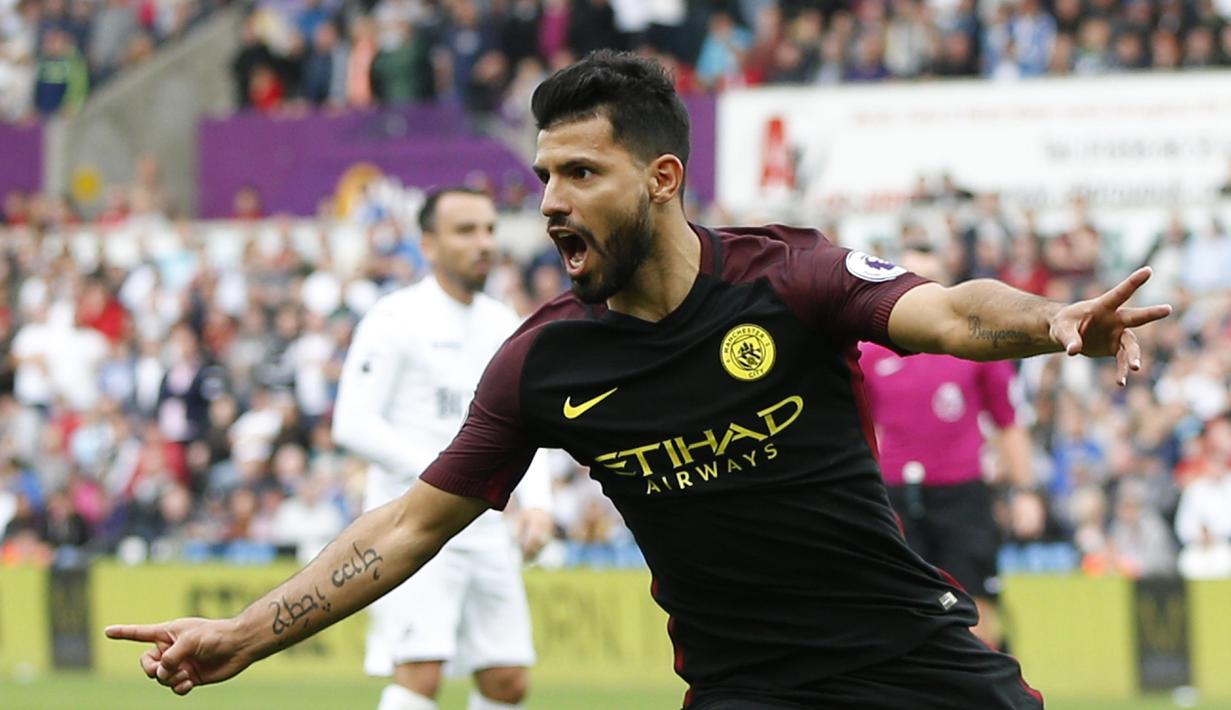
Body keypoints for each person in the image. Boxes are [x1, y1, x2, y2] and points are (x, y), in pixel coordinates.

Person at [107, 51, 1170, 709]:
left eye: (581, 173)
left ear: (661, 179)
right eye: (543, 177)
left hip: (912, 658)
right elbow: (406, 527)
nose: (550, 201)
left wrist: (1053, 322)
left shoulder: (786, 274)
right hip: (745, 689)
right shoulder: (543, 359)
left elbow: (946, 311)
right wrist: (244, 631)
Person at [330, 187, 555, 710]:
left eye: (489, 229)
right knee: (421, 674)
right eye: (466, 230)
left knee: (508, 681)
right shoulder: (396, 319)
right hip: (413, 524)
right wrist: (445, 473)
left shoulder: (504, 324)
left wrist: (539, 504)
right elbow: (353, 422)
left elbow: (529, 424)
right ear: (427, 244)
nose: (483, 243)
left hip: (487, 529)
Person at [858, 246, 1045, 651]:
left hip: (962, 493)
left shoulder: (974, 347)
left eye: (928, 278)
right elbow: (857, 430)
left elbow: (1009, 422)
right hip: (894, 497)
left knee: (976, 612)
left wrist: (1026, 491)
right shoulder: (869, 352)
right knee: (903, 612)